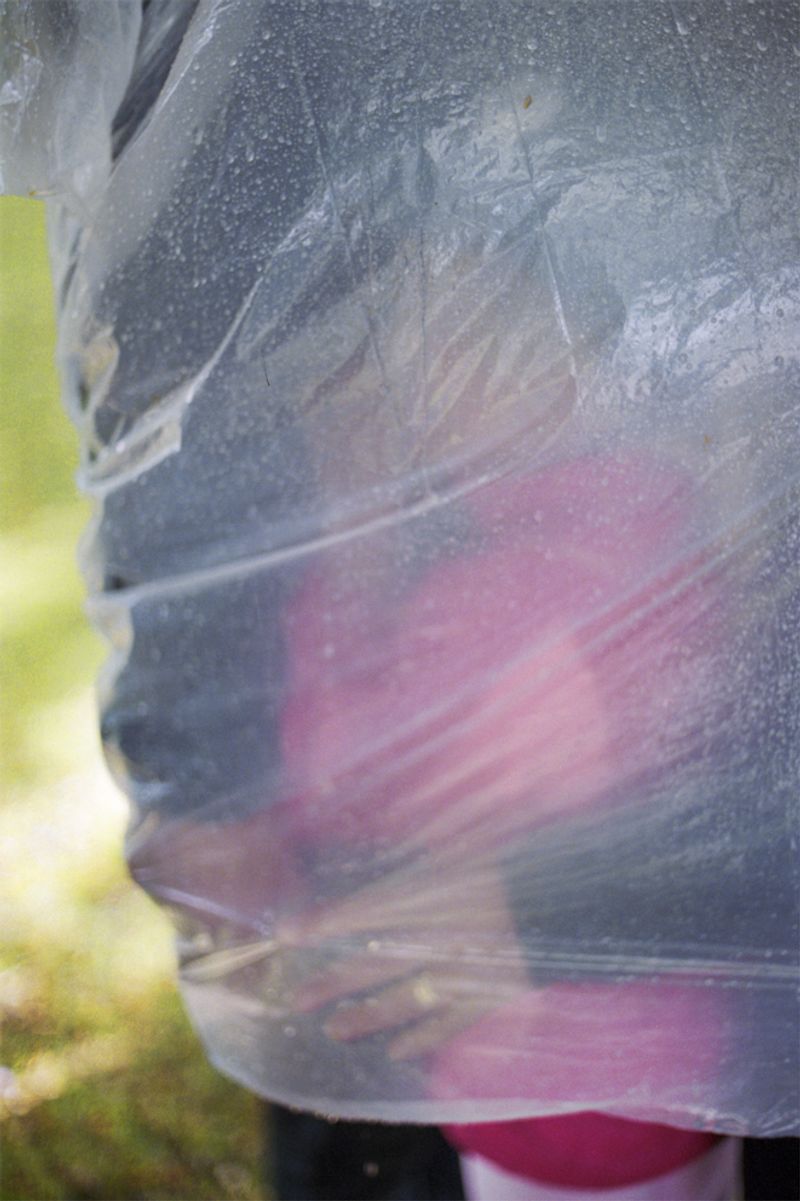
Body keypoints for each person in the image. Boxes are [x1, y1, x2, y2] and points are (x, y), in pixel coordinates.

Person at [2, 2, 797, 1198]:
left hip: (588, 1074)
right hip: (516, 1037)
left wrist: (536, 906)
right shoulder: (519, 533)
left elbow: (390, 763)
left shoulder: (570, 554)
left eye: (455, 342)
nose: (400, 380)